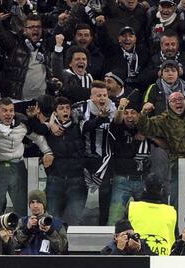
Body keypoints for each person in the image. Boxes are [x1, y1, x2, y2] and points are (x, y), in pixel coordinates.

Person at [136, 92, 185, 227]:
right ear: (168, 104)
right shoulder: (164, 119)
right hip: (180, 166)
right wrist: (143, 113)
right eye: (173, 100)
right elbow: (145, 127)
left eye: (181, 99)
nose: (178, 102)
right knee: (177, 206)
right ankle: (178, 238)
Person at [27, 97, 87, 226]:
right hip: (55, 178)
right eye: (61, 108)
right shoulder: (49, 127)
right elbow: (36, 129)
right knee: (52, 218)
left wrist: (101, 118)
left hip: (76, 178)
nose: (65, 111)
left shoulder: (79, 125)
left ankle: (73, 246)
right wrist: (32, 118)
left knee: (75, 218)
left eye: (67, 108)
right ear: (55, 112)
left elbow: (92, 125)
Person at [0, 98, 53, 216]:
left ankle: (22, 232)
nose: (8, 114)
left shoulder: (22, 123)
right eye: (4, 111)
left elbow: (38, 138)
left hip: (18, 166)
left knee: (22, 204)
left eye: (11, 110)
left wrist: (48, 152)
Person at [74, 80, 116, 225]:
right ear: (91, 97)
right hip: (85, 159)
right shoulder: (80, 107)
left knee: (105, 197)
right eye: (98, 95)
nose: (103, 98)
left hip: (105, 160)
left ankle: (104, 227)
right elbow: (84, 128)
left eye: (104, 95)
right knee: (80, 196)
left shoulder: (114, 107)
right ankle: (75, 228)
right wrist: (100, 119)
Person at [107, 96, 151, 225]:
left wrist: (148, 136)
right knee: (114, 220)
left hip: (143, 180)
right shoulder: (117, 128)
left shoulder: (146, 128)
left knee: (144, 221)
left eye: (133, 113)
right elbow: (116, 121)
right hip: (122, 180)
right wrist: (120, 108)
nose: (129, 116)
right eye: (126, 113)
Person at [128, 173, 177, 256]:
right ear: (161, 189)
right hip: (164, 259)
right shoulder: (171, 211)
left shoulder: (132, 207)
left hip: (138, 257)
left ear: (144, 188)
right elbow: (175, 237)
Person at [15, 190, 68, 255]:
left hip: (49, 263)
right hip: (27, 262)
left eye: (38, 202)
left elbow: (63, 248)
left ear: (44, 204)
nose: (35, 206)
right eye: (32, 202)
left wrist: (50, 232)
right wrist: (27, 230)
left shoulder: (57, 223)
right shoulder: (23, 222)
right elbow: (14, 244)